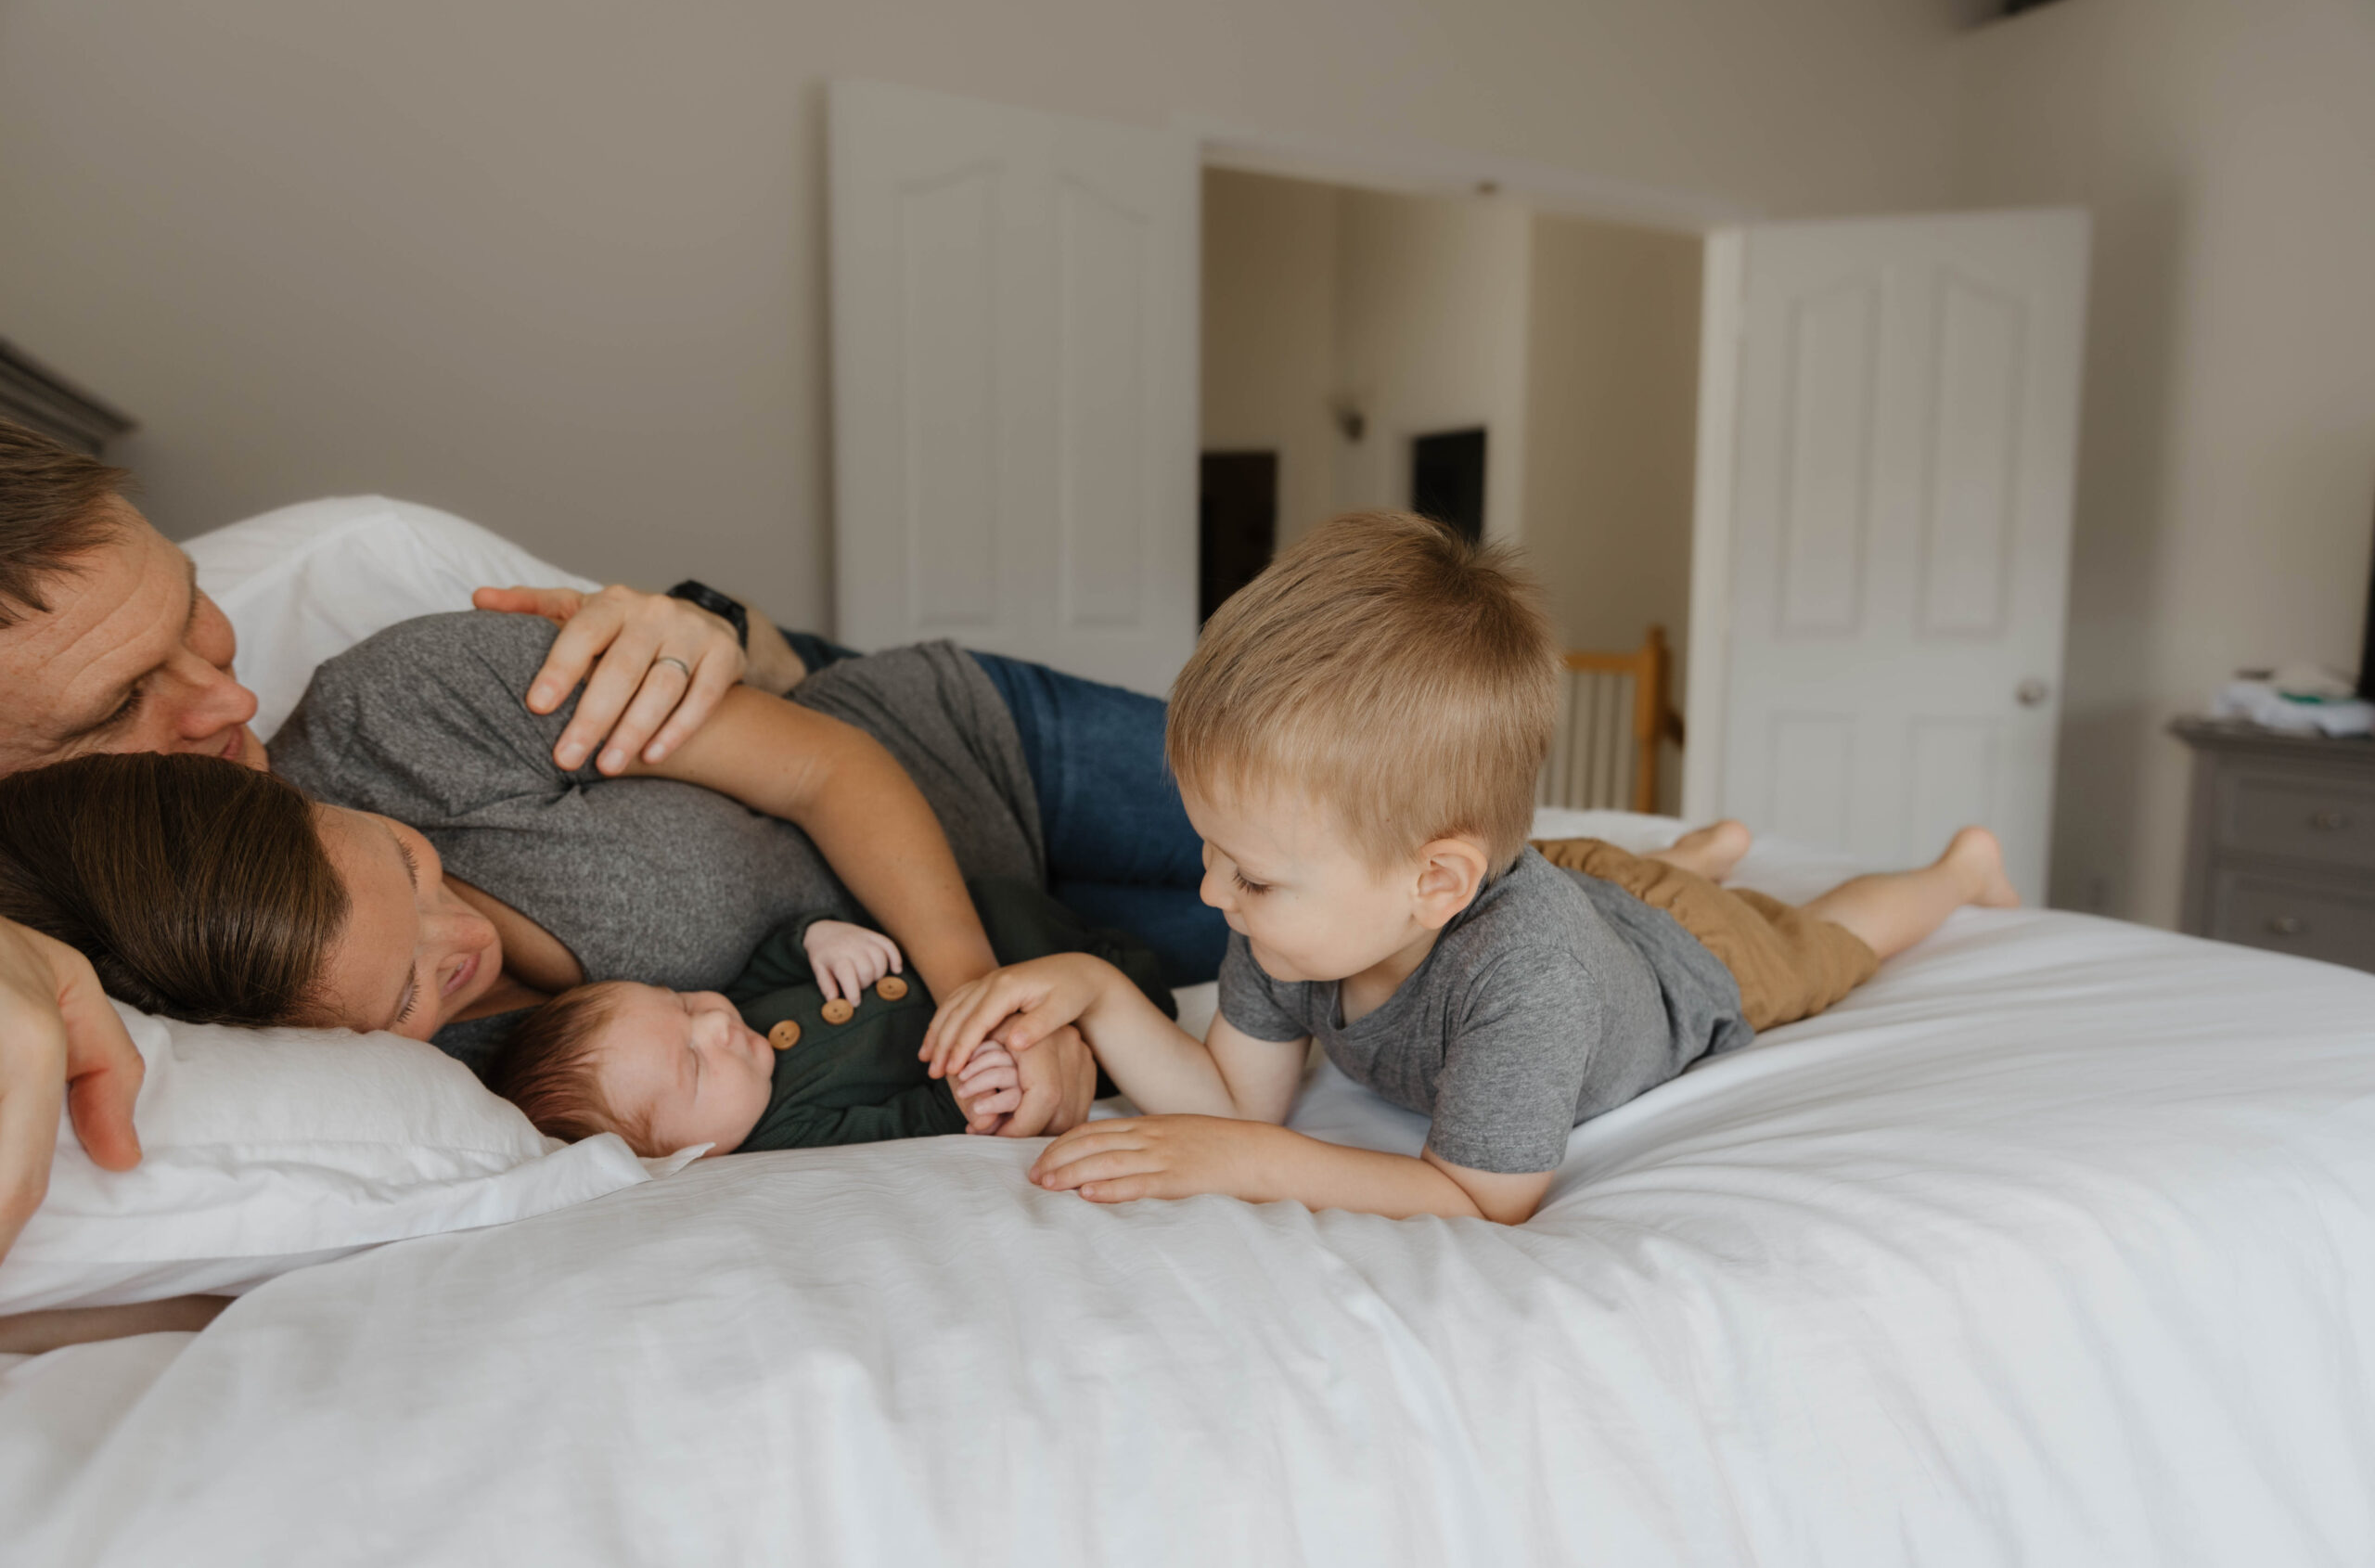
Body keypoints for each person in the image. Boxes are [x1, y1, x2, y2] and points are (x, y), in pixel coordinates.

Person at [920, 512, 2022, 1226]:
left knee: (1829, 937)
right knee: (1621, 875)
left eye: (1247, 874)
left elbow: (1480, 1193)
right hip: (1572, 880)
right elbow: (1233, 1103)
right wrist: (1100, 993)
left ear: (1433, 882)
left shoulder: (1522, 975)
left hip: (1684, 947)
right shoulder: (1292, 922)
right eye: (1213, 853)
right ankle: (1689, 853)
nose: (1212, 892)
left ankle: (1951, 871)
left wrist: (1242, 1167)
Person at [0, 418, 762, 1265]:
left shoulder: (364, 566)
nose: (229, 701)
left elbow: (799, 692)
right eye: (114, 707)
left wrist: (716, 629)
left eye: (189, 608)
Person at [485, 880, 1175, 1157]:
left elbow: (769, 959)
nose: (717, 1025)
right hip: (1052, 1005)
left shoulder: (744, 1020)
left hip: (1000, 926)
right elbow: (895, 1126)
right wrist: (957, 1096)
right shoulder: (787, 1133)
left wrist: (818, 935)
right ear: (685, 1155)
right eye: (694, 1063)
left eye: (684, 1003)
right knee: (1145, 995)